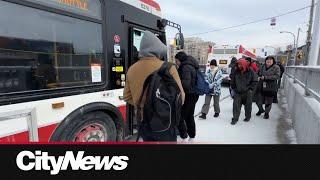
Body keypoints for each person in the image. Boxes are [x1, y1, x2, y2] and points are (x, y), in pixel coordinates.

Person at [123, 31, 185, 142]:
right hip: (166, 122)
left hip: (144, 122)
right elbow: (181, 97)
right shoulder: (168, 68)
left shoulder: (131, 69)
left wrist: (143, 105)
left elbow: (127, 97)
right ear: (158, 49)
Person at [175, 51, 200, 142]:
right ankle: (192, 136)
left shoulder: (185, 67)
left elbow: (186, 84)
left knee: (181, 116)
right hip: (194, 94)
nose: (176, 63)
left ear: (180, 60)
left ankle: (183, 136)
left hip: (188, 95)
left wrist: (176, 83)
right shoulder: (191, 65)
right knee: (189, 115)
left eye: (176, 60)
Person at [230, 58, 258, 125]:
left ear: (244, 64)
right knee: (236, 106)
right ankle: (235, 118)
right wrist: (234, 88)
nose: (239, 66)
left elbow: (255, 81)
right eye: (238, 64)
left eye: (240, 64)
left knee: (248, 106)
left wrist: (250, 89)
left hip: (247, 92)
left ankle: (247, 116)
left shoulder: (250, 71)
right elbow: (232, 81)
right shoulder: (236, 71)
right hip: (238, 92)